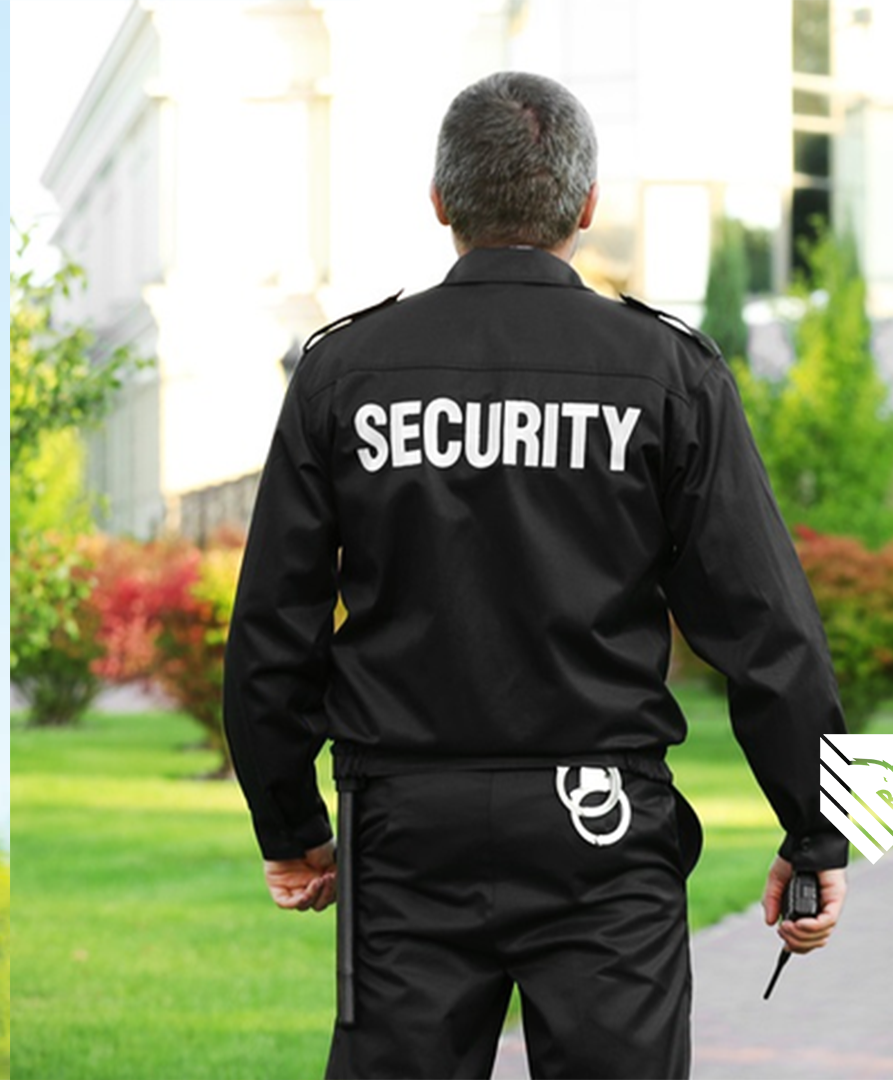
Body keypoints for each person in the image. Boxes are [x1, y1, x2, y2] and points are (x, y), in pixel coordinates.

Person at [223, 71, 849, 1080]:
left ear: (440, 203)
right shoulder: (670, 374)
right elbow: (770, 627)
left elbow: (270, 630)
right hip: (603, 825)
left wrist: (290, 824)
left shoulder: (343, 374)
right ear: (588, 208)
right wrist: (821, 835)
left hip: (405, 828)